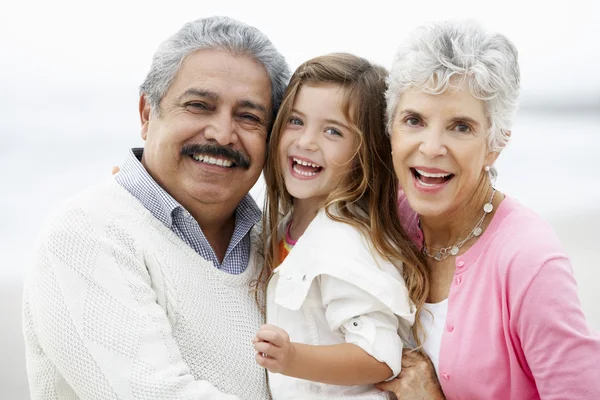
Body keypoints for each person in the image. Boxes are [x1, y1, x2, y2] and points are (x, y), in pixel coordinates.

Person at [22, 16, 290, 399]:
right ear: (147, 114)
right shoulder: (86, 232)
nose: (221, 133)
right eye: (199, 105)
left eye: (248, 116)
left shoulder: (279, 246)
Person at [376, 20, 600, 399]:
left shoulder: (530, 262)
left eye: (460, 127)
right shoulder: (386, 217)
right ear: (391, 129)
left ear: (495, 144)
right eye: (414, 120)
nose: (431, 147)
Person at [251, 53, 429, 399]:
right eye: (296, 121)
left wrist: (293, 358)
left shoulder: (345, 243)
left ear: (365, 152)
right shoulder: (284, 228)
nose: (306, 142)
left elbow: (380, 356)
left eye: (333, 131)